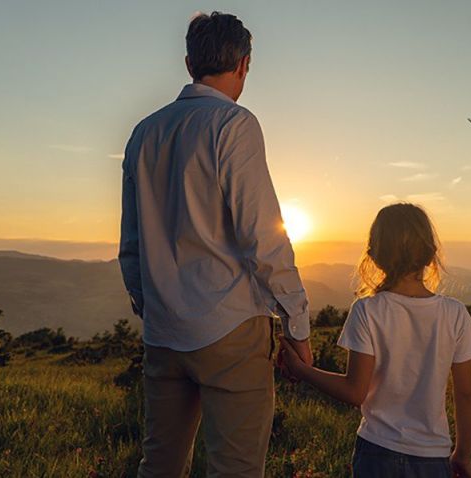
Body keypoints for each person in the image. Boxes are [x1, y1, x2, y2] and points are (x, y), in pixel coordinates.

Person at [118, 11, 312, 478]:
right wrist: (297, 325)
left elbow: (131, 246)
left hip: (163, 333)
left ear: (189, 63)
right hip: (230, 329)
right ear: (244, 64)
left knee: (160, 464)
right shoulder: (234, 125)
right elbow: (263, 237)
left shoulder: (144, 132)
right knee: (236, 469)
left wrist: (154, 306)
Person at [279, 203, 471, 477]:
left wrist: (302, 370)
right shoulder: (455, 313)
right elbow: (466, 394)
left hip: (377, 452)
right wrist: (462, 454)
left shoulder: (367, 310)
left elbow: (354, 392)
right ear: (431, 254)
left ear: (374, 255)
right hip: (432, 457)